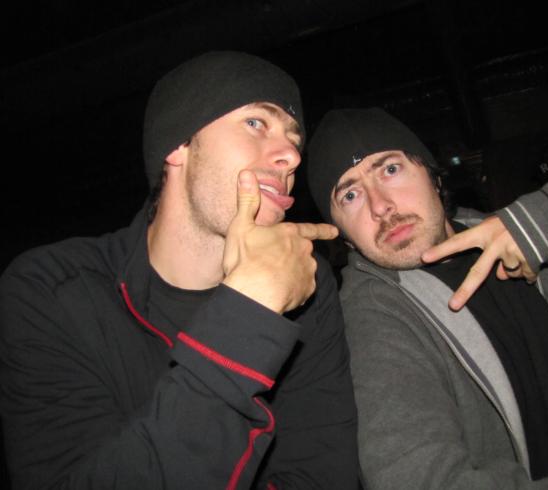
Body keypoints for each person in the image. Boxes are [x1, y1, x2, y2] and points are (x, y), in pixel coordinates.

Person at [0, 51, 359, 490]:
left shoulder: (307, 285)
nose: (291, 156)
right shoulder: (50, 291)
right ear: (177, 145)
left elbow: (320, 475)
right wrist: (250, 313)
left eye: (294, 140)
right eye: (255, 123)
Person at [306, 107, 548, 490]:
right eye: (350, 194)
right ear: (342, 234)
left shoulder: (530, 241)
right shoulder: (371, 319)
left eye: (390, 169)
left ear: (434, 176)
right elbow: (420, 478)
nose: (380, 206)